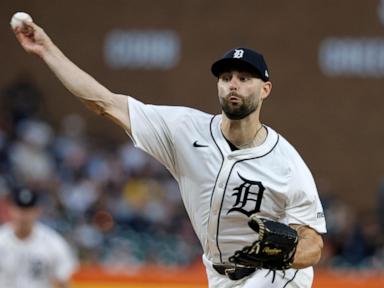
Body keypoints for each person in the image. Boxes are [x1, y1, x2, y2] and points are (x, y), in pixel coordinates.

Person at [12, 18, 326, 288]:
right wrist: (46, 50)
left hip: (274, 276)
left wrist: (287, 254)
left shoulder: (286, 163)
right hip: (218, 275)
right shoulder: (184, 130)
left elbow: (313, 243)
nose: (233, 85)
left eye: (244, 79)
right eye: (226, 78)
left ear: (265, 89)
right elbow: (103, 102)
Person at [0, 187, 78, 288]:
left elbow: (64, 280)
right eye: (19, 209)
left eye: (28, 210)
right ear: (10, 209)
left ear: (37, 211)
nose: (23, 215)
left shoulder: (53, 243)